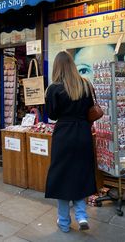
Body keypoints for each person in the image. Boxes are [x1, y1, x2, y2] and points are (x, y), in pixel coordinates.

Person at [45, 51, 97, 233]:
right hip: (83, 133)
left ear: (57, 67)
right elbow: (91, 108)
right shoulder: (85, 84)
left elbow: (52, 114)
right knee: (80, 174)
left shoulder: (54, 89)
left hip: (64, 135)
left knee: (62, 177)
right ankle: (82, 215)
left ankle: (64, 222)